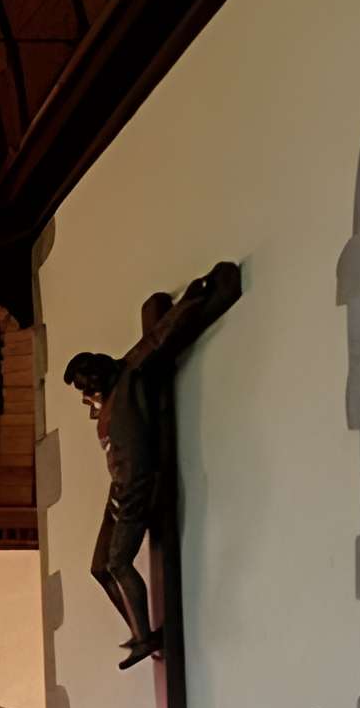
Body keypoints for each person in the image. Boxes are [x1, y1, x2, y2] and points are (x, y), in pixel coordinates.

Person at [65, 261, 240, 669]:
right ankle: (139, 633)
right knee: (99, 567)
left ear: (99, 371)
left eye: (86, 383)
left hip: (138, 482)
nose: (86, 393)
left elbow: (161, 337)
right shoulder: (106, 403)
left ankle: (146, 637)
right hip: (120, 486)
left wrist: (196, 296)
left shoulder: (129, 375)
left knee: (118, 561)